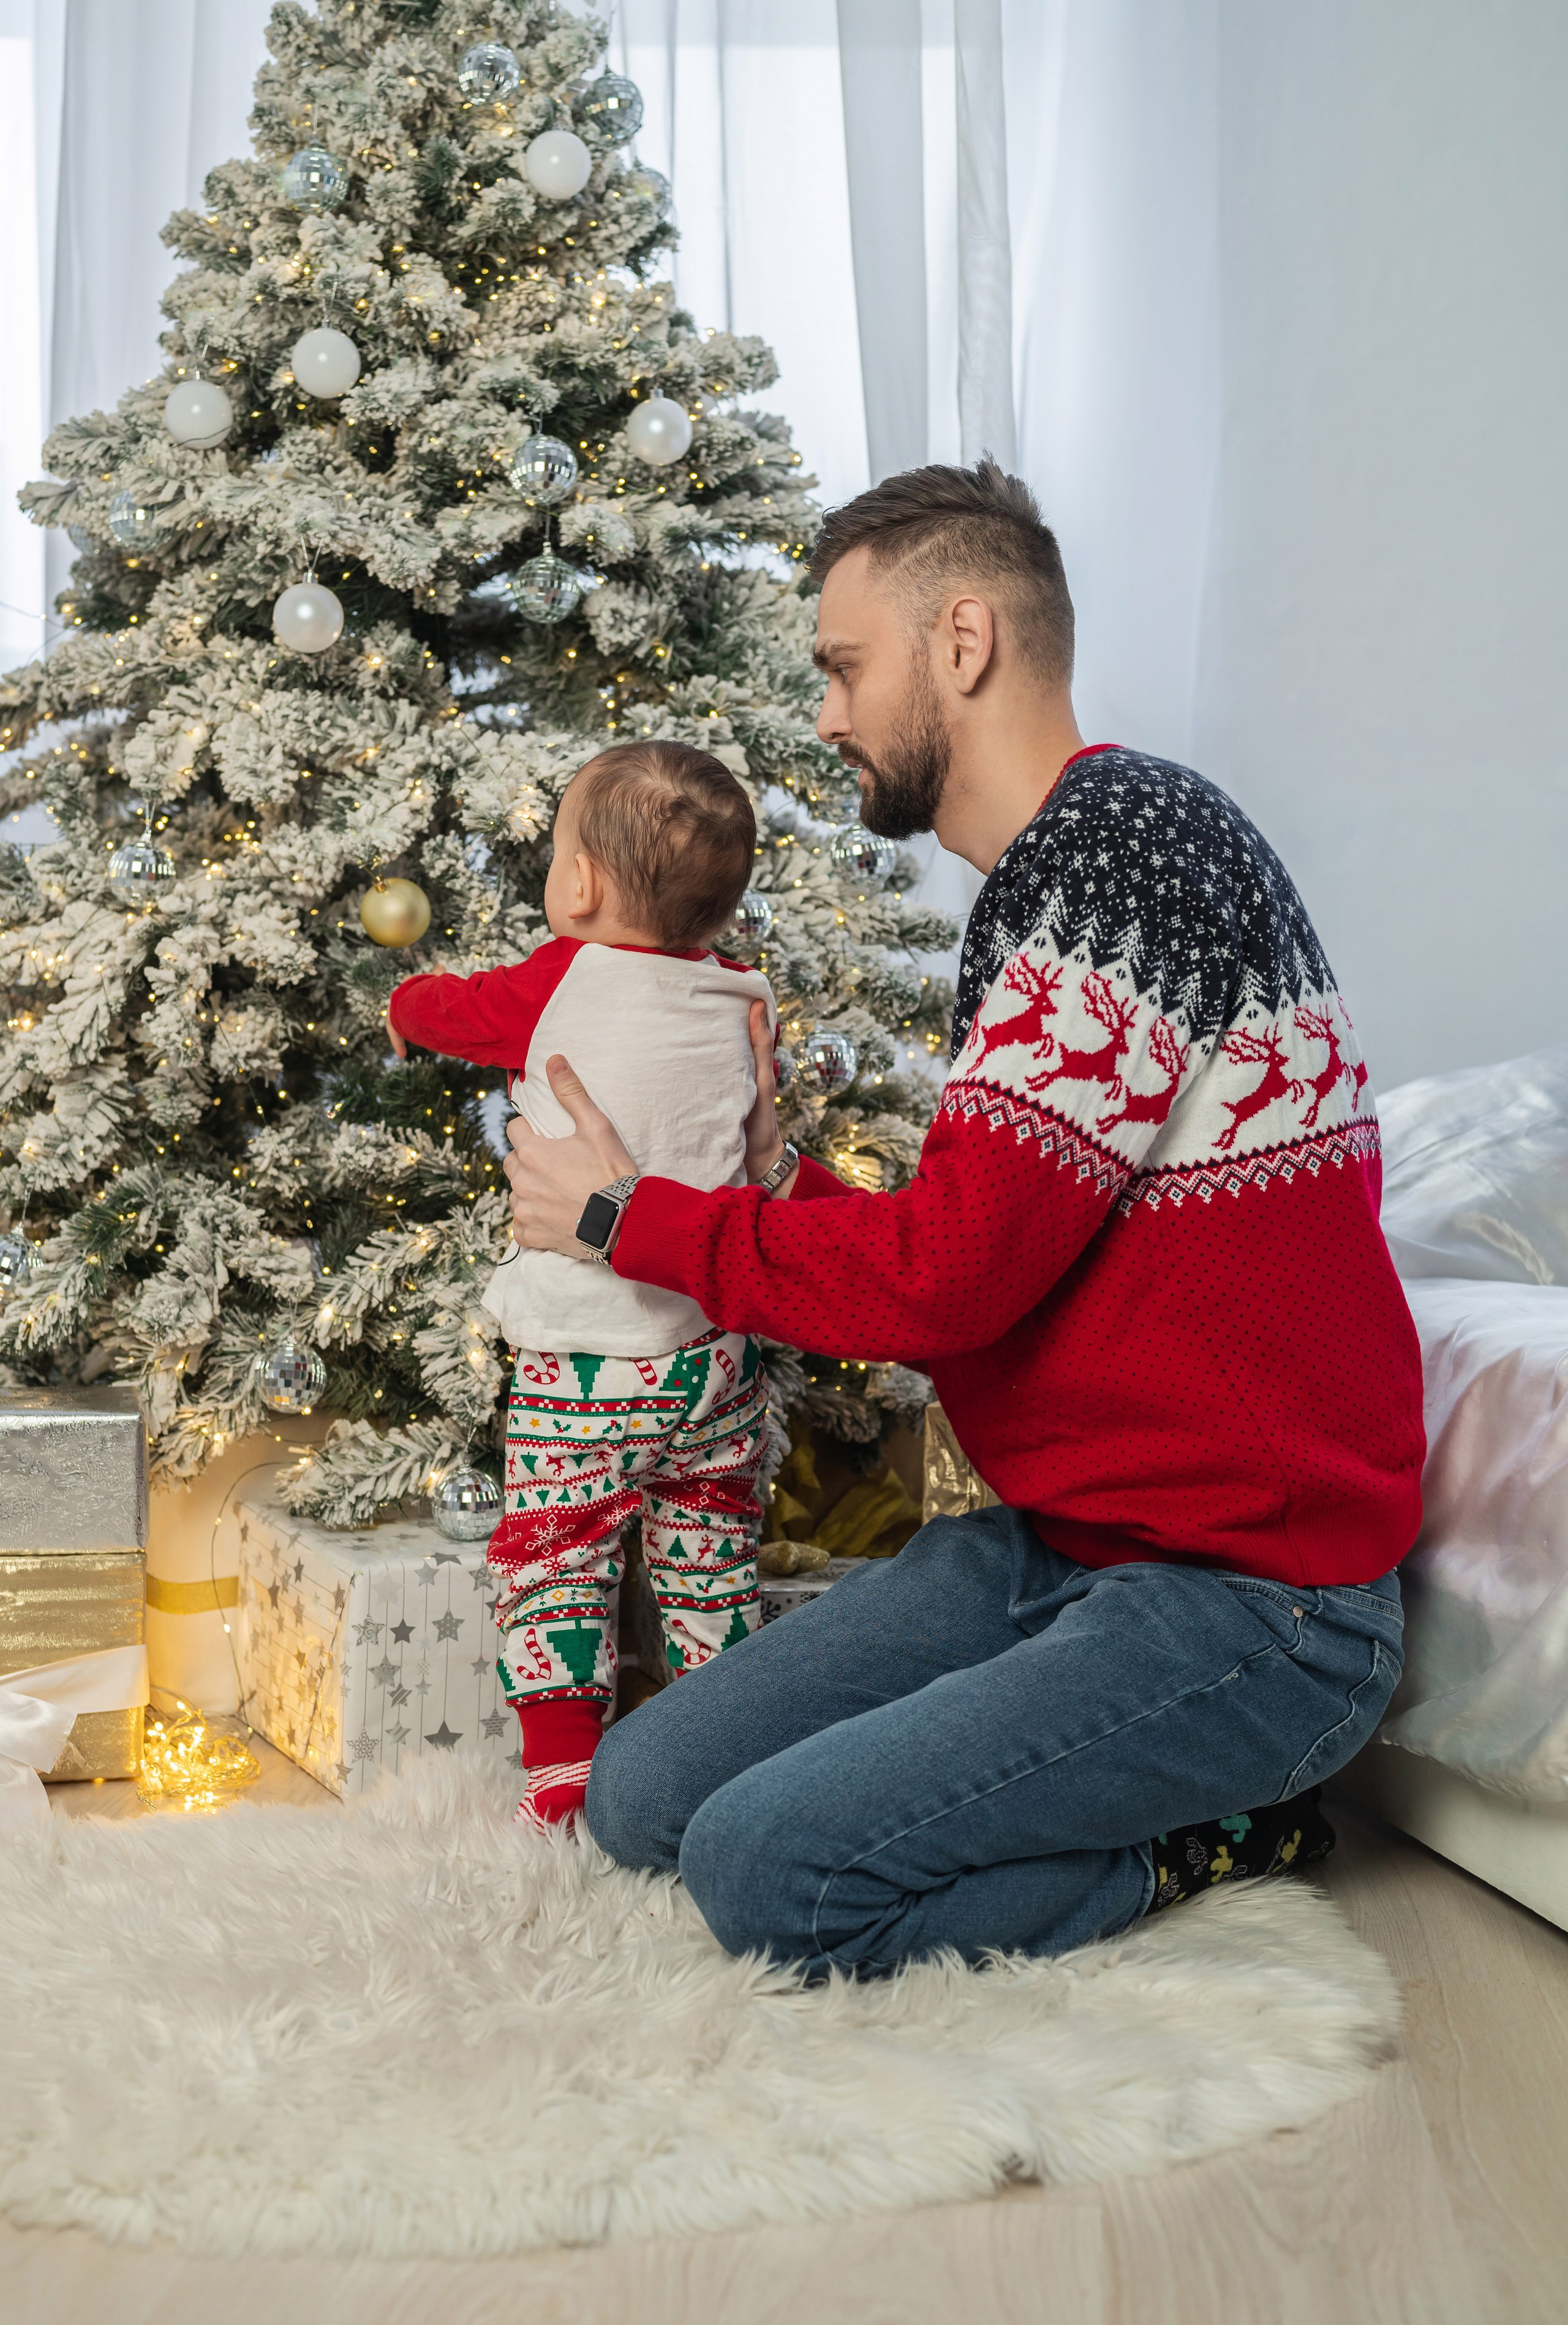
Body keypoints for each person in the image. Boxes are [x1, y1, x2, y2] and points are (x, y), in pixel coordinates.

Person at [500, 460, 1425, 1968]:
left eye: (843, 667)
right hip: (1064, 1548)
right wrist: (763, 1168)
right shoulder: (1047, 879)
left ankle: (1215, 1836)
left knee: (767, 1876)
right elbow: (1006, 1232)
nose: (823, 717)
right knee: (639, 1794)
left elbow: (949, 1280)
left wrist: (630, 1220)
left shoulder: (1129, 857)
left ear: (963, 641)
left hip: (1254, 1610)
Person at [386, 741, 797, 1826]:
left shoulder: (559, 979)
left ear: (579, 883)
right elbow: (754, 1138)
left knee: (558, 1555)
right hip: (719, 1352)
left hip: (589, 1359)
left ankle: (565, 1773)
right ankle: (726, 1748)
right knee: (711, 1553)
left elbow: (456, 1012)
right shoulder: (740, 996)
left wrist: (403, 1005)